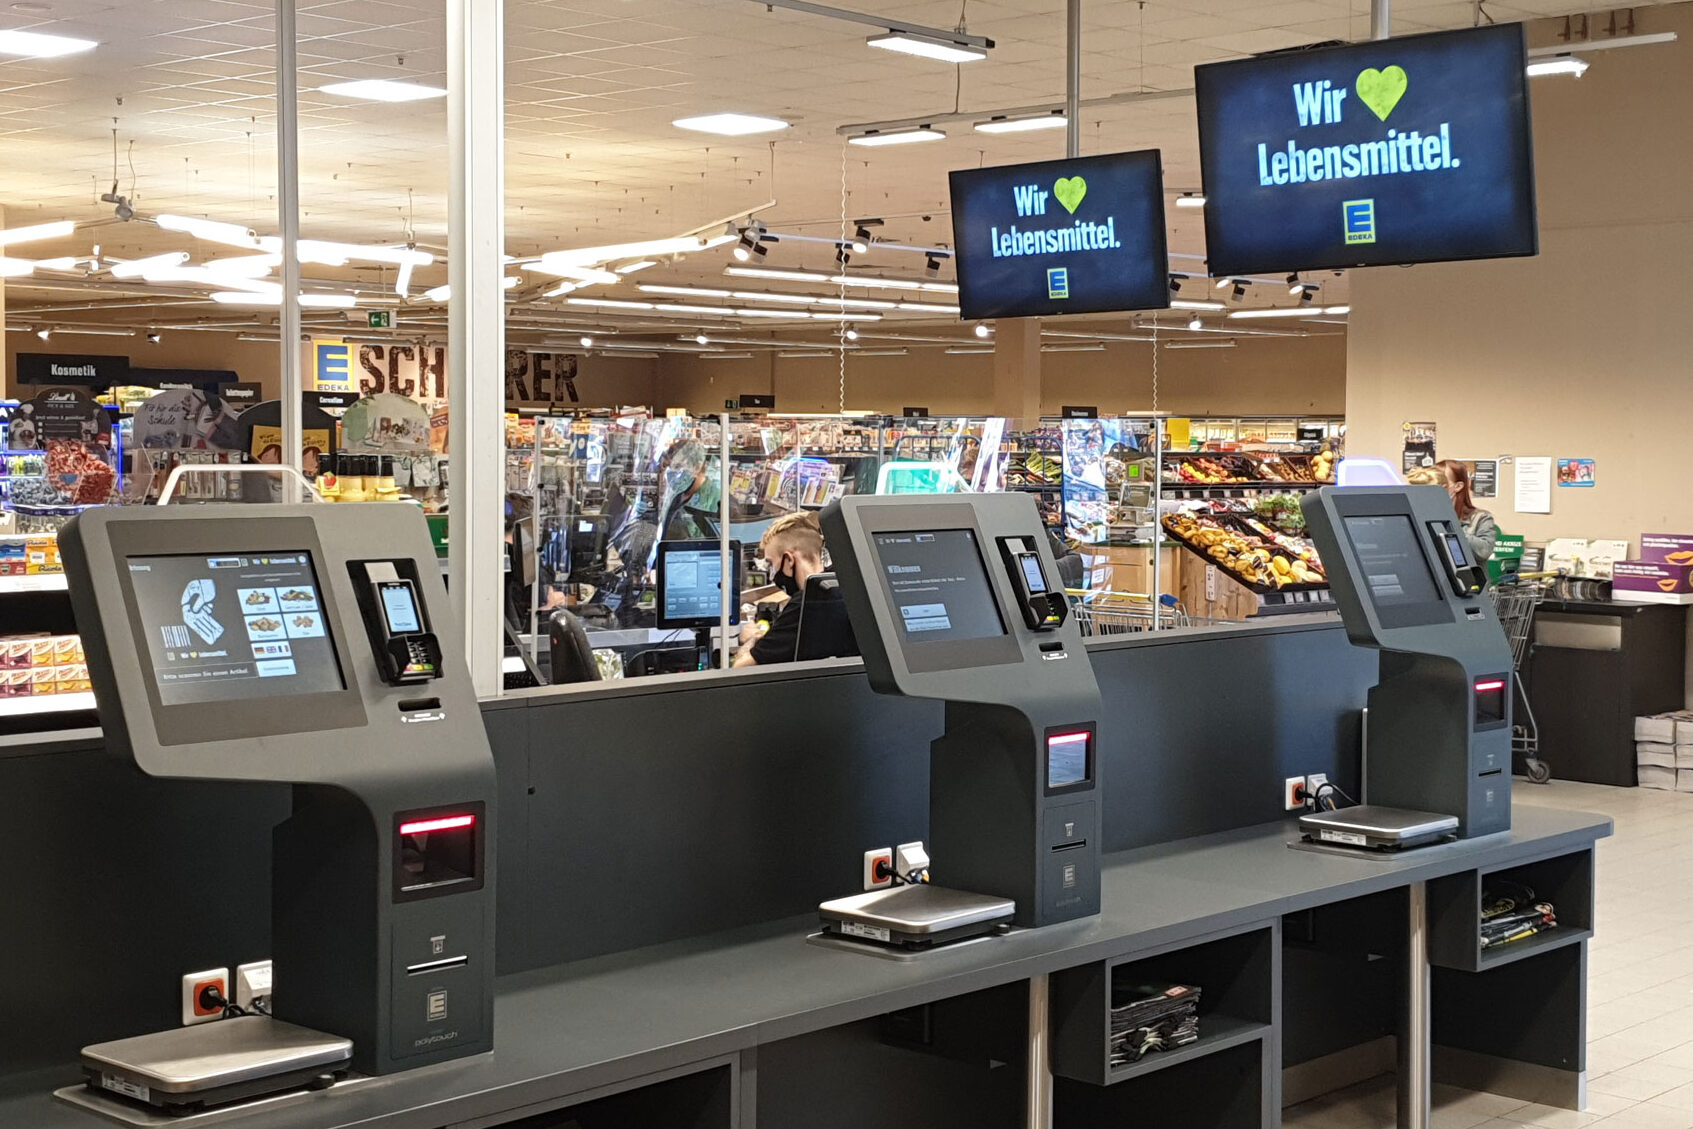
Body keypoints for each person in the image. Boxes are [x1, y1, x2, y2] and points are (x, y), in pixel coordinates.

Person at [734, 511, 852, 666]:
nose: (772, 573)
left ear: (789, 560)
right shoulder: (843, 585)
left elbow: (741, 667)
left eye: (772, 564)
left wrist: (751, 639)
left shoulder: (806, 603)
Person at [1435, 459, 1497, 562]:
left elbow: (1485, 551)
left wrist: (1450, 527)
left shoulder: (1481, 517)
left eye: (1441, 483)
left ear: (1458, 486)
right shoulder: (1427, 515)